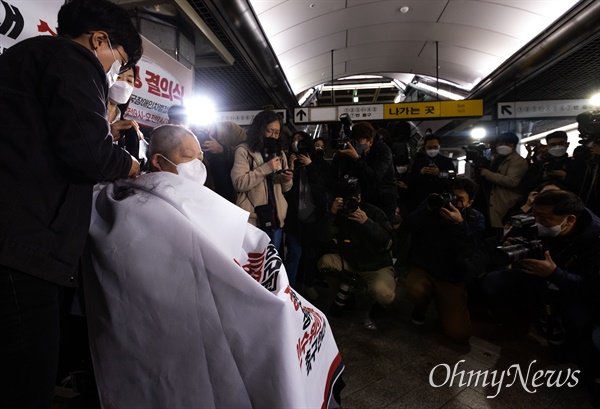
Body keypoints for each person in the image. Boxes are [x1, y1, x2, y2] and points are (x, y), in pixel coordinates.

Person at [83, 124, 343, 408]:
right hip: (189, 306)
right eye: (186, 157)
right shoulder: (135, 204)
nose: (196, 166)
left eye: (199, 158)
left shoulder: (195, 196)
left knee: (290, 315)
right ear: (158, 160)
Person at [0, 0, 142, 406]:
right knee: (26, 382)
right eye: (120, 60)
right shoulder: (73, 58)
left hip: (16, 240)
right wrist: (133, 166)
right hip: (21, 248)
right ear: (99, 40)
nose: (117, 71)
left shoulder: (30, 59)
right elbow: (89, 155)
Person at [483, 190, 600, 382]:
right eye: (535, 215)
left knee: (573, 327)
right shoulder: (535, 220)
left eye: (544, 218)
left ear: (570, 220)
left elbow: (592, 288)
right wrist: (510, 242)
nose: (537, 222)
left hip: (572, 290)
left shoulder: (594, 240)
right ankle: (516, 326)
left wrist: (555, 274)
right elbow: (503, 243)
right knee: (495, 282)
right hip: (534, 276)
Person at [402, 178, 485, 343]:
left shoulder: (476, 219)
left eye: (460, 199)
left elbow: (471, 250)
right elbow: (408, 225)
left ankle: (443, 306)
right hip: (425, 268)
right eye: (451, 196)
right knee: (415, 290)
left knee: (459, 334)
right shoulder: (433, 206)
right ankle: (422, 304)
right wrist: (427, 208)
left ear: (470, 203)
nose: (453, 201)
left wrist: (459, 224)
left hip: (452, 277)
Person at [316, 179, 396, 324]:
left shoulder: (374, 213)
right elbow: (322, 237)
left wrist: (367, 223)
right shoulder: (340, 214)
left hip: (376, 266)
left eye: (353, 200)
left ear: (359, 198)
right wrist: (331, 214)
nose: (349, 205)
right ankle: (348, 293)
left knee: (384, 294)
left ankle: (379, 303)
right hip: (350, 262)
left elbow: (387, 241)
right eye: (345, 200)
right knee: (324, 262)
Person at [231, 110, 293, 250]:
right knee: (253, 265)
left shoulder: (280, 153)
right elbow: (239, 183)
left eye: (277, 133)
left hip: (276, 219)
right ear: (260, 130)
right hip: (253, 221)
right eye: (270, 131)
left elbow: (286, 188)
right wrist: (266, 168)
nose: (274, 136)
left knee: (271, 266)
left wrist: (287, 179)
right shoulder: (244, 151)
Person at [283, 131, 330, 294]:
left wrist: (310, 165)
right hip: (293, 217)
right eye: (294, 140)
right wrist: (290, 165)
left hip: (313, 217)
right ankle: (290, 289)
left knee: (310, 254)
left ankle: (308, 285)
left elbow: (322, 187)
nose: (297, 144)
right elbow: (285, 190)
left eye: (301, 141)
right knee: (294, 253)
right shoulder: (287, 160)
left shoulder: (318, 163)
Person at [332, 121, 397, 221]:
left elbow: (374, 177)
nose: (356, 144)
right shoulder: (356, 152)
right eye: (355, 140)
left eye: (360, 140)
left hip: (383, 199)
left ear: (370, 142)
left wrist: (357, 159)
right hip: (364, 198)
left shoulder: (384, 151)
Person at [479, 132, 529, 230]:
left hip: (506, 202)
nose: (503, 146)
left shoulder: (518, 161)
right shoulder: (498, 159)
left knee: (501, 229)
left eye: (507, 144)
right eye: (500, 143)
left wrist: (487, 174)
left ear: (514, 146)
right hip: (493, 199)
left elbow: (512, 181)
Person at [199, 121, 247, 202]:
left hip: (233, 189)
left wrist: (222, 149)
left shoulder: (230, 128)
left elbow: (247, 152)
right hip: (208, 192)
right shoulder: (190, 133)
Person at [407, 133, 456, 211]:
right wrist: (421, 173)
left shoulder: (447, 162)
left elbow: (452, 176)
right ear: (425, 147)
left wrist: (439, 173)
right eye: (429, 147)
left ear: (439, 146)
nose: (432, 150)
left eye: (435, 147)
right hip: (420, 199)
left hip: (440, 198)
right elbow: (410, 180)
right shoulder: (418, 162)